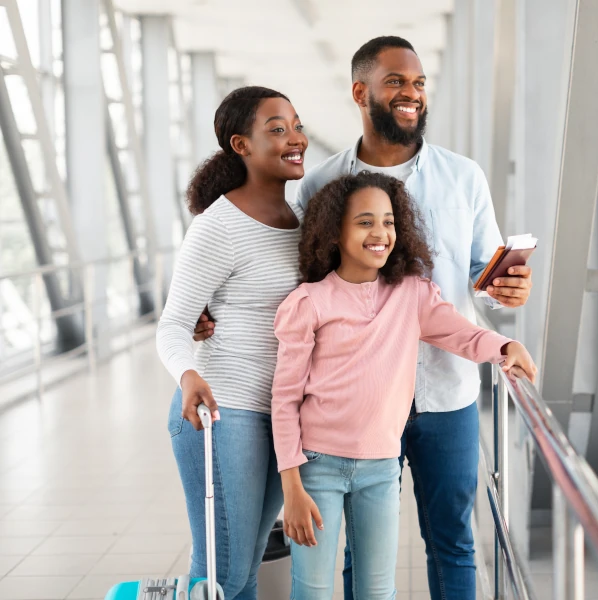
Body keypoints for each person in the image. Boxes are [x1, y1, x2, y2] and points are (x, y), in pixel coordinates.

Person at [191, 36, 534, 600]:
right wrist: (210, 303)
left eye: (419, 83)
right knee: (354, 555)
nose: (412, 94)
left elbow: (482, 284)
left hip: (445, 394)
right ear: (361, 92)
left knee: (453, 539)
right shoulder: (321, 184)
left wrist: (506, 298)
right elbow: (284, 266)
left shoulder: (465, 177)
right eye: (397, 82)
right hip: (348, 409)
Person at [270, 171, 537, 600]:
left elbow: (462, 334)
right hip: (317, 466)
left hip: (379, 467)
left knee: (378, 590)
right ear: (334, 231)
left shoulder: (412, 294)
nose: (380, 233)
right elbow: (284, 399)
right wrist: (291, 487)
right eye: (364, 222)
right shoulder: (309, 302)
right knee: (313, 589)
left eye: (389, 221)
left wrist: (506, 346)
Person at [157, 86, 308, 600]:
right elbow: (173, 323)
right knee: (223, 573)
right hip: (224, 410)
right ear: (241, 145)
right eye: (277, 129)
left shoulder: (303, 223)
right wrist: (188, 374)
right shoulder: (218, 226)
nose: (295, 139)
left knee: (243, 570)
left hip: (281, 413)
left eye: (296, 125)